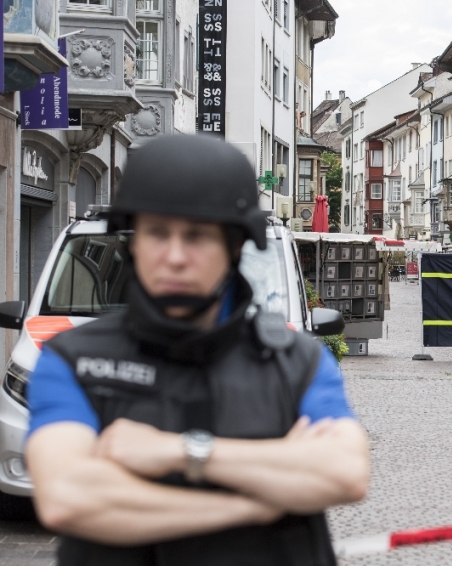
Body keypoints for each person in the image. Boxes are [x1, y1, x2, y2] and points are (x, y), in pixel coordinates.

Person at [24, 135, 369, 566]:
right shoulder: (73, 360)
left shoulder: (295, 362)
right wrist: (254, 504)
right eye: (156, 233)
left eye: (197, 236)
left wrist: (179, 451)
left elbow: (345, 474)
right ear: (133, 242)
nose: (174, 256)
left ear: (235, 246)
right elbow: (68, 498)